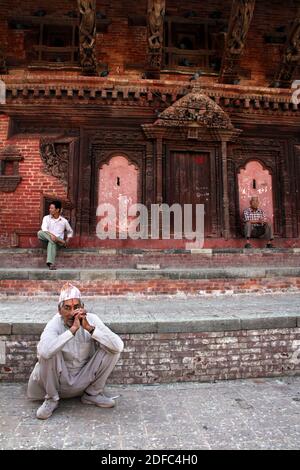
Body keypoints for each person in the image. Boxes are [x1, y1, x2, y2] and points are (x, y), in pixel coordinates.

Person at [27, 283, 124, 420]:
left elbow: (118, 345)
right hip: (57, 382)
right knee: (48, 352)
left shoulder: (91, 319)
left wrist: (90, 329)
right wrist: (72, 331)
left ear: (82, 308)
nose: (73, 312)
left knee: (112, 348)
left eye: (76, 307)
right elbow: (44, 352)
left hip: (83, 379)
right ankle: (51, 399)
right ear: (59, 311)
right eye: (67, 308)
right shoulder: (54, 323)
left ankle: (92, 394)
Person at [38, 200, 73, 270]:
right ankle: (58, 240)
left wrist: (67, 239)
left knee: (52, 243)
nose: (50, 209)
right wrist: (53, 236)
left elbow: (70, 231)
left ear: (57, 210)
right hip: (48, 240)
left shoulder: (64, 221)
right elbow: (44, 228)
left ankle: (50, 264)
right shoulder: (46, 218)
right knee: (40, 233)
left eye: (52, 208)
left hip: (57, 244)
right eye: (50, 208)